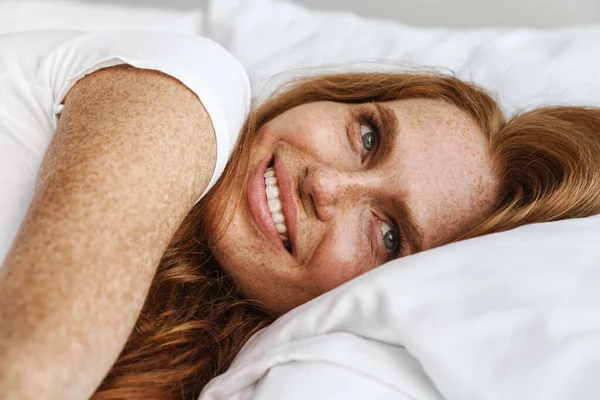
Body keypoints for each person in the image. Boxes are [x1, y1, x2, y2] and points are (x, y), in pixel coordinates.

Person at [1, 31, 600, 400]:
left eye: (389, 235)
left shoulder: (198, 364)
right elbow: (33, 373)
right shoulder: (189, 88)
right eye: (368, 136)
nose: (327, 184)